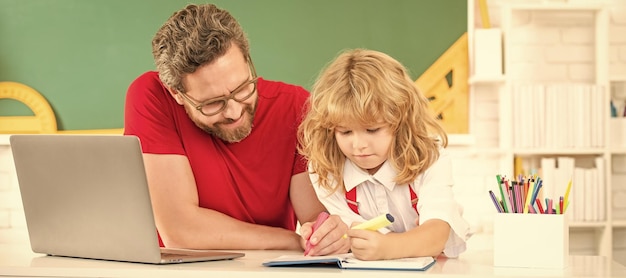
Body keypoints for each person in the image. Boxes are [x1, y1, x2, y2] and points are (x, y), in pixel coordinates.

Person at [123, 3, 349, 254]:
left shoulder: (296, 106)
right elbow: (181, 231)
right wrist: (291, 240)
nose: (234, 112)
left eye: (242, 88)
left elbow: (313, 222)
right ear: (177, 93)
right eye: (212, 103)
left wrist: (327, 236)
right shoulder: (151, 96)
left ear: (248, 62)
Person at [298, 49, 471, 261]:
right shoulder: (325, 171)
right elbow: (350, 235)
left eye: (372, 130)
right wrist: (328, 238)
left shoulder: (429, 158)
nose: (359, 145)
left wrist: (388, 247)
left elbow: (438, 233)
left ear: (400, 119)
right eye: (345, 132)